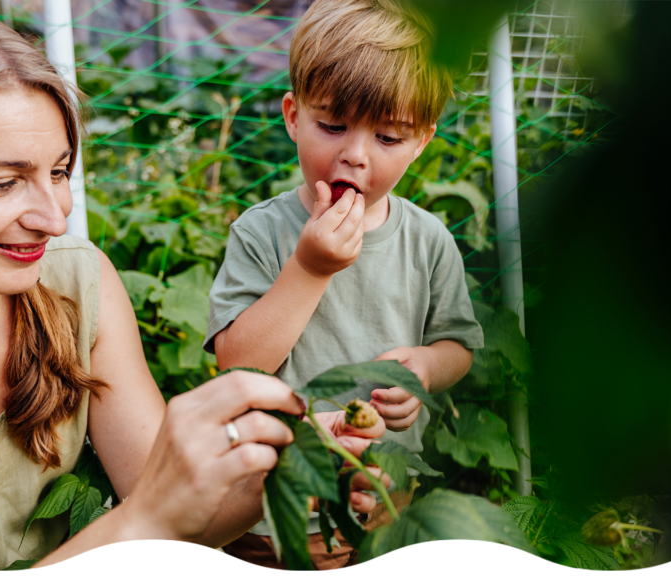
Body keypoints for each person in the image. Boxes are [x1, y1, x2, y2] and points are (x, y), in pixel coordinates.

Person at [0, 2, 388, 570]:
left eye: (58, 172)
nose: (53, 218)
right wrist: (139, 520)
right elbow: (149, 518)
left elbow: (176, 521)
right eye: (3, 184)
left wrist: (283, 475)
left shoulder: (75, 285)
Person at [206, 0, 485, 567]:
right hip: (271, 510)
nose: (354, 156)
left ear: (423, 139)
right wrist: (309, 269)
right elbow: (238, 366)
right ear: (292, 115)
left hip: (383, 496)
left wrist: (428, 370)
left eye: (388, 137)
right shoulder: (263, 233)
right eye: (332, 126)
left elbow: (460, 345)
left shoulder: (427, 239)